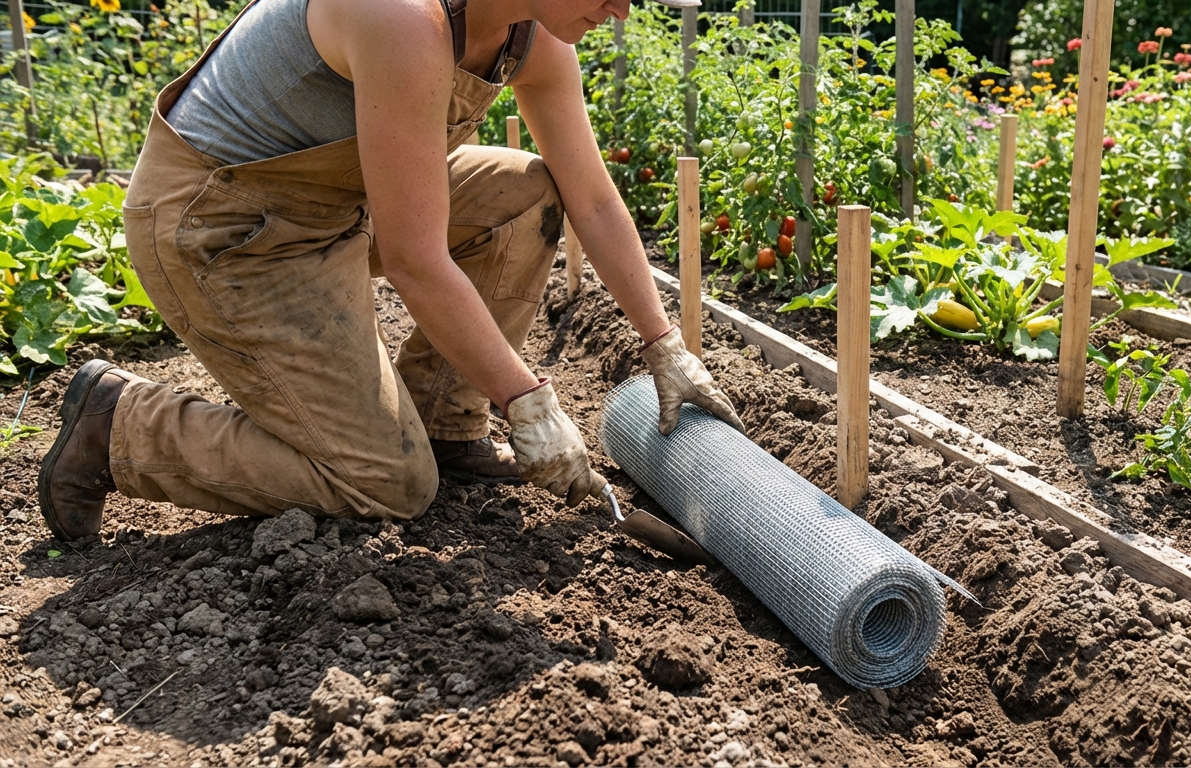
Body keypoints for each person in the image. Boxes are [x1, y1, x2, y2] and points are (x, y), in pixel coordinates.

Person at [37, 0, 744, 540]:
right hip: (224, 227)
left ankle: (444, 423)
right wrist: (526, 399)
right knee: (387, 485)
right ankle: (120, 427)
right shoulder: (404, 18)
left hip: (342, 205)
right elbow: (415, 259)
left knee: (526, 195)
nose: (624, 8)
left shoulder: (534, 38)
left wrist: (665, 344)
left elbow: (590, 197)